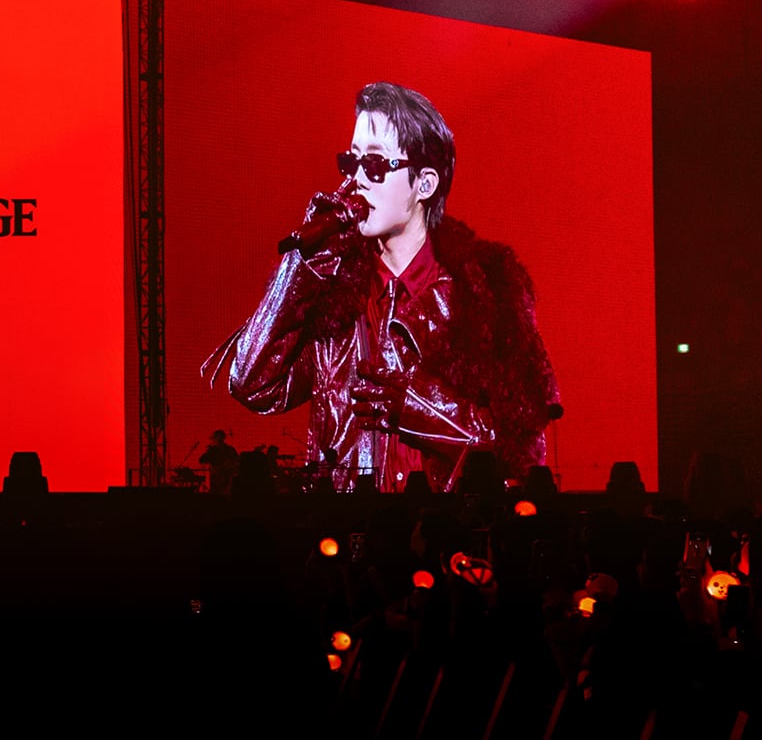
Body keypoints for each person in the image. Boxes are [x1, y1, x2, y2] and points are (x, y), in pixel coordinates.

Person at [202, 82, 559, 493]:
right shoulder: (335, 295)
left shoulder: (483, 294)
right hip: (350, 524)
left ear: (425, 184)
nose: (356, 180)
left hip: (447, 523)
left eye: (373, 164)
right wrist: (301, 268)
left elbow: (521, 445)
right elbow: (252, 383)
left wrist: (419, 408)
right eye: (350, 162)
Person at [199, 429, 239, 494]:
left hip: (225, 477)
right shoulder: (212, 450)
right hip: (217, 478)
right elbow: (202, 460)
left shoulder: (229, 449)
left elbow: (236, 461)